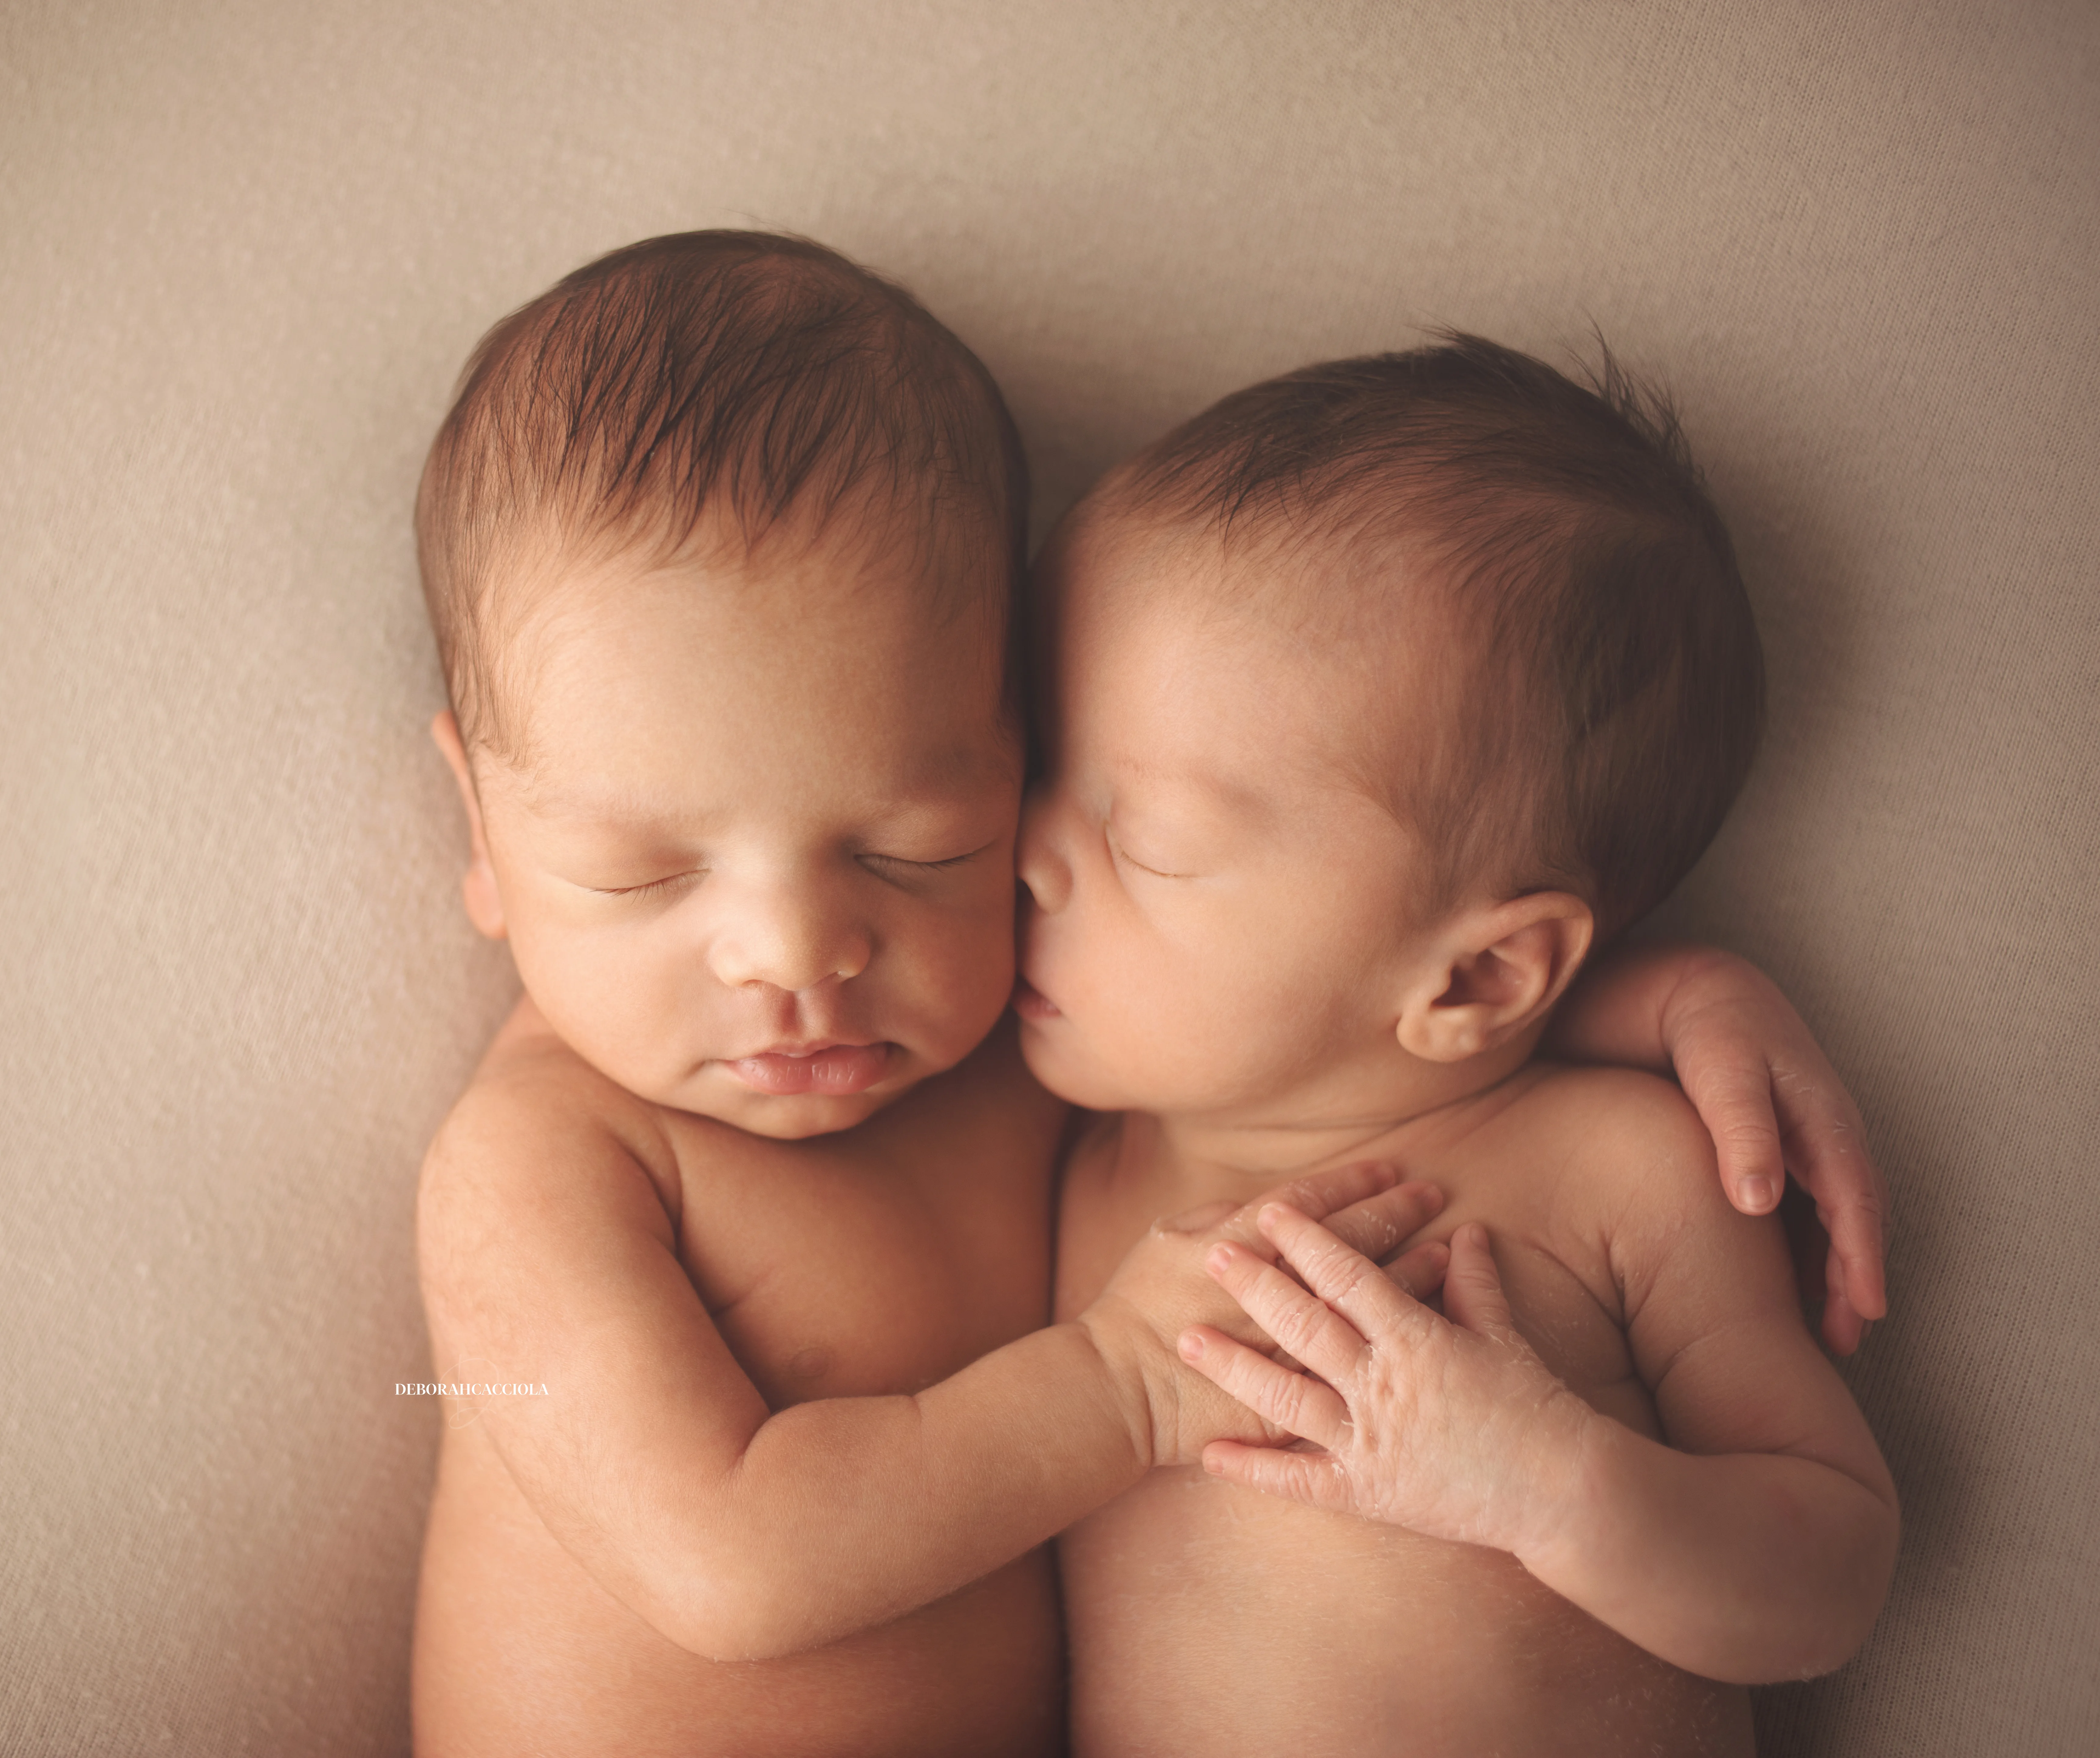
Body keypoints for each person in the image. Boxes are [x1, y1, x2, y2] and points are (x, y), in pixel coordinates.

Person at [408, 231, 1884, 1755]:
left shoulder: (1066, 1085)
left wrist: (1667, 1004)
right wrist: (1117, 1382)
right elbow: (723, 1563)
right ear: (485, 831)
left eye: (925, 847)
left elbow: (1312, 1022)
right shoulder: (538, 1163)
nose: (799, 957)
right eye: (642, 875)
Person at [1027, 334, 1897, 1755]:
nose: (1028, 858)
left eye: (1146, 840)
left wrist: (1545, 1483)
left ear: (1485, 970)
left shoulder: (1615, 1164)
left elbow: (1835, 1572)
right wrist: (1681, 988)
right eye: (1034, 761)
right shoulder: (1056, 1140)